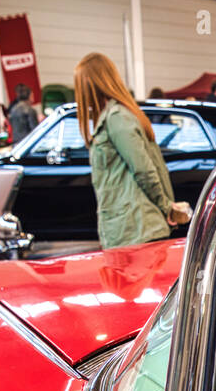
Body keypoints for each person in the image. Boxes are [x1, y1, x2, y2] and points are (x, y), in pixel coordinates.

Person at [74, 52, 191, 248]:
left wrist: (165, 207)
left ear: (92, 84)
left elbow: (143, 169)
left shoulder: (117, 117)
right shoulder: (114, 117)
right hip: (129, 229)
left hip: (136, 230)